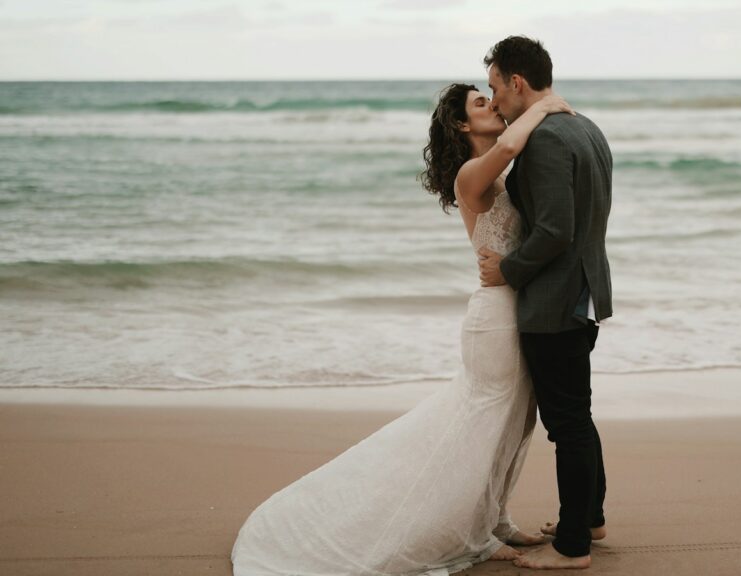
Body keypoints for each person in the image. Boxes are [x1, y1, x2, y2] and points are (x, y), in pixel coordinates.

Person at [229, 83, 574, 575]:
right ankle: (473, 531)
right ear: (460, 125)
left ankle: (496, 518)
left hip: (520, 307)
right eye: (481, 104)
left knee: (518, 421)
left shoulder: (507, 175)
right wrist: (543, 104)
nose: (493, 106)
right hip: (494, 316)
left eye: (491, 99)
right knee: (487, 423)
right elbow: (509, 145)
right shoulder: (471, 174)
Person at [477, 35, 614, 570]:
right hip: (586, 293)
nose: (494, 101)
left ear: (517, 82)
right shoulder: (587, 127)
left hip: (556, 303)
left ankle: (574, 545)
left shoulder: (546, 139)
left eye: (495, 88)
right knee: (577, 416)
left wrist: (507, 269)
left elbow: (555, 229)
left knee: (568, 425)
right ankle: (592, 517)